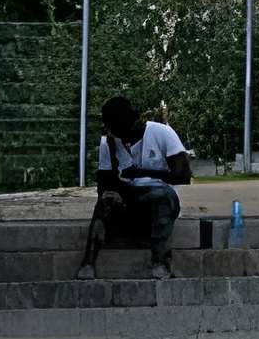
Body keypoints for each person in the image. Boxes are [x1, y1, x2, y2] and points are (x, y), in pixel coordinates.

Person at [79, 97, 191, 280]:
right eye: (112, 130)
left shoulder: (161, 133)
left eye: (119, 130)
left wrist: (140, 173)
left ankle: (159, 262)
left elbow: (184, 175)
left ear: (132, 123)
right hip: (128, 201)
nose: (118, 136)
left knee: (161, 195)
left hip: (159, 200)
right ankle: (88, 263)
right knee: (105, 201)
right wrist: (112, 193)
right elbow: (103, 183)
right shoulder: (109, 143)